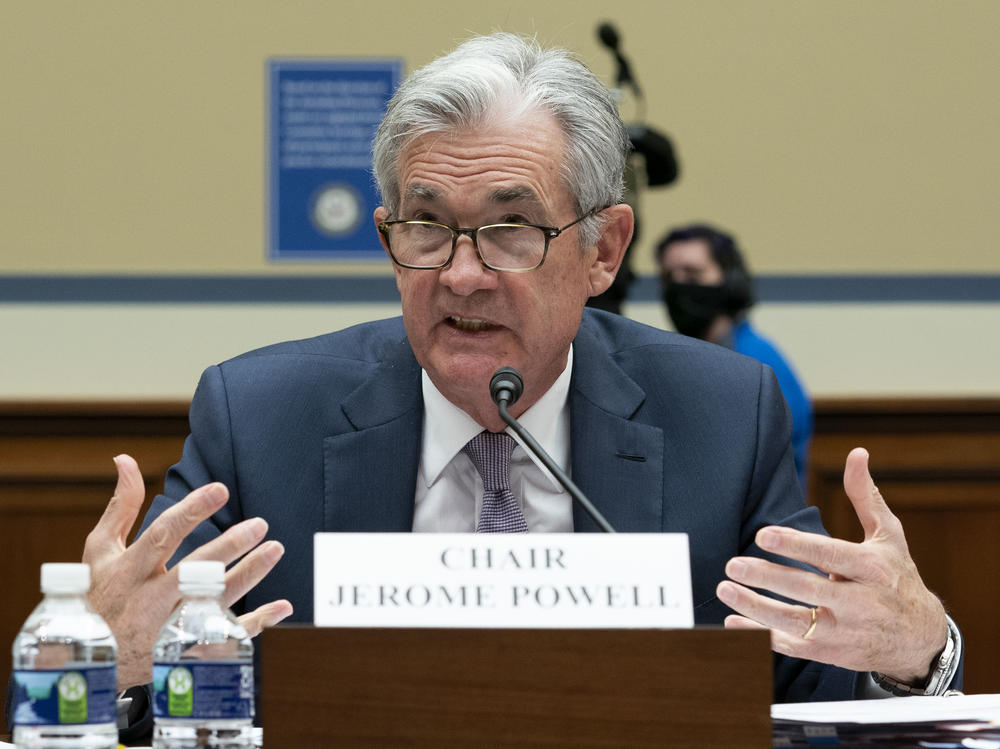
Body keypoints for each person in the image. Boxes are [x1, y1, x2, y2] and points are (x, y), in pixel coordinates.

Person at [7, 32, 961, 741]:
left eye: (511, 229)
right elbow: (149, 700)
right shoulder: (262, 420)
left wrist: (920, 657)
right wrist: (109, 663)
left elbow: (812, 702)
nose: (460, 274)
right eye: (426, 227)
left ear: (604, 249)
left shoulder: (720, 415)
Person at [657, 224, 813, 486]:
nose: (679, 285)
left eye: (693, 274)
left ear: (730, 279)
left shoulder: (759, 362)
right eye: (669, 277)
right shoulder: (679, 359)